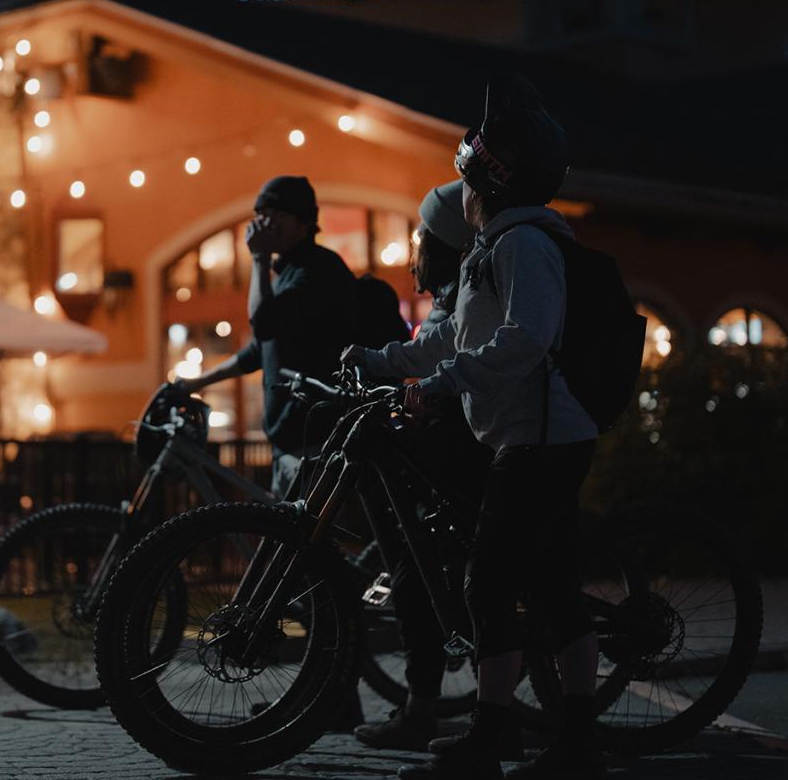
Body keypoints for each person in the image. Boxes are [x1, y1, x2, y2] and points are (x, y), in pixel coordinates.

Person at [343, 75, 603, 780]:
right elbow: (447, 340)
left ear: (486, 182)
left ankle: (492, 742)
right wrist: (378, 359)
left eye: (465, 179)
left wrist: (443, 386)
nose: (459, 196)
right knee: (549, 588)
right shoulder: (495, 248)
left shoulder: (524, 246)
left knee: (488, 587)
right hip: (526, 436)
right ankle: (573, 745)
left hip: (543, 438)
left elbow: (526, 339)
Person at [353, 181, 491, 754]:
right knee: (433, 569)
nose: (415, 244)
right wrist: (377, 361)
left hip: (474, 440)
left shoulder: (468, 287)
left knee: (444, 571)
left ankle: (453, 712)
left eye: (423, 234)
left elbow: (446, 352)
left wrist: (393, 368)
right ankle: (434, 708)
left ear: (445, 239)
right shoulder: (452, 290)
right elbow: (430, 345)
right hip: (463, 434)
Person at [177, 175, 356, 497]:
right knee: (287, 542)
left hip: (314, 444)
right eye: (259, 217)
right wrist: (195, 384)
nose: (262, 226)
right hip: (291, 444)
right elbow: (259, 350)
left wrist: (259, 259)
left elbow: (263, 323)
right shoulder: (287, 273)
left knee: (304, 543)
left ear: (300, 220)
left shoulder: (317, 270)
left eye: (272, 216)